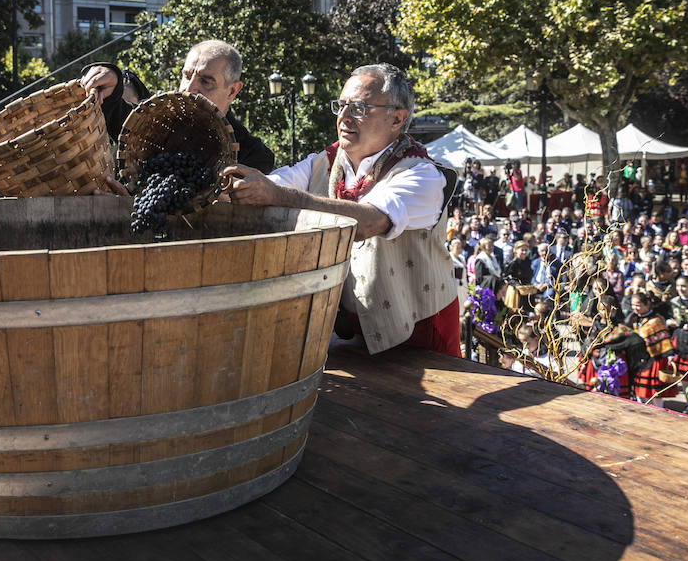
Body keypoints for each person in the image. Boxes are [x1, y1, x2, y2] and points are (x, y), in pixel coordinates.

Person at [223, 63, 459, 355]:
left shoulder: (422, 174)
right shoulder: (323, 162)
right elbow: (272, 185)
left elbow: (370, 221)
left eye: (359, 108)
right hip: (353, 339)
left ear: (397, 119)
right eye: (342, 105)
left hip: (420, 338)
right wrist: (228, 189)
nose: (344, 117)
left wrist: (279, 195)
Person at [79, 40, 275, 172]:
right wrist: (110, 78)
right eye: (187, 76)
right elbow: (120, 115)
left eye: (205, 82)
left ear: (232, 91)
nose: (189, 89)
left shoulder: (254, 157)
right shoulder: (155, 124)